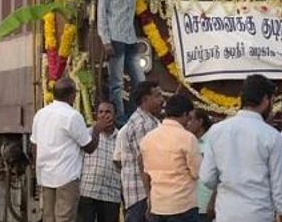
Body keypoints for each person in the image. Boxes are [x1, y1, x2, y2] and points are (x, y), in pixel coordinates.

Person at [98, 0, 179, 122]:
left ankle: (137, 116)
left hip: (130, 38)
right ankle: (119, 119)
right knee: (117, 83)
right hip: (114, 39)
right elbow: (101, 12)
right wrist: (105, 40)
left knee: (139, 81)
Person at [200, 74, 282, 222]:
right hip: (258, 215)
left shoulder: (217, 131)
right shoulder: (272, 136)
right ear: (265, 100)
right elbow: (280, 188)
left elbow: (207, 178)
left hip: (226, 215)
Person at [31, 77, 108, 222]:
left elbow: (34, 145)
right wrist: (97, 129)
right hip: (66, 178)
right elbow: (89, 147)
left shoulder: (40, 115)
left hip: (46, 176)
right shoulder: (72, 116)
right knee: (64, 218)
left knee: (49, 218)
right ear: (72, 95)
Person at [139, 95, 202, 222]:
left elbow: (145, 172)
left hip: (158, 206)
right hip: (182, 206)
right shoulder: (187, 138)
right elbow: (197, 172)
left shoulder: (147, 139)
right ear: (185, 114)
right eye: (189, 116)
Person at [115, 81, 164, 222]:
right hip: (142, 194)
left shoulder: (149, 120)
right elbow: (145, 163)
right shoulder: (143, 124)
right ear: (145, 100)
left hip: (141, 194)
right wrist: (150, 196)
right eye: (157, 96)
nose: (162, 100)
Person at [79, 101, 122, 222]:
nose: (104, 115)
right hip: (88, 191)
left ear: (115, 115)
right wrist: (96, 131)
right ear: (96, 115)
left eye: (108, 112)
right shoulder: (87, 133)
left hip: (111, 194)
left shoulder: (121, 137)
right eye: (101, 112)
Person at [186, 110, 215, 222]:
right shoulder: (188, 141)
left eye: (190, 119)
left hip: (206, 202)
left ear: (200, 121)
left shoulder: (212, 141)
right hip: (190, 204)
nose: (187, 123)